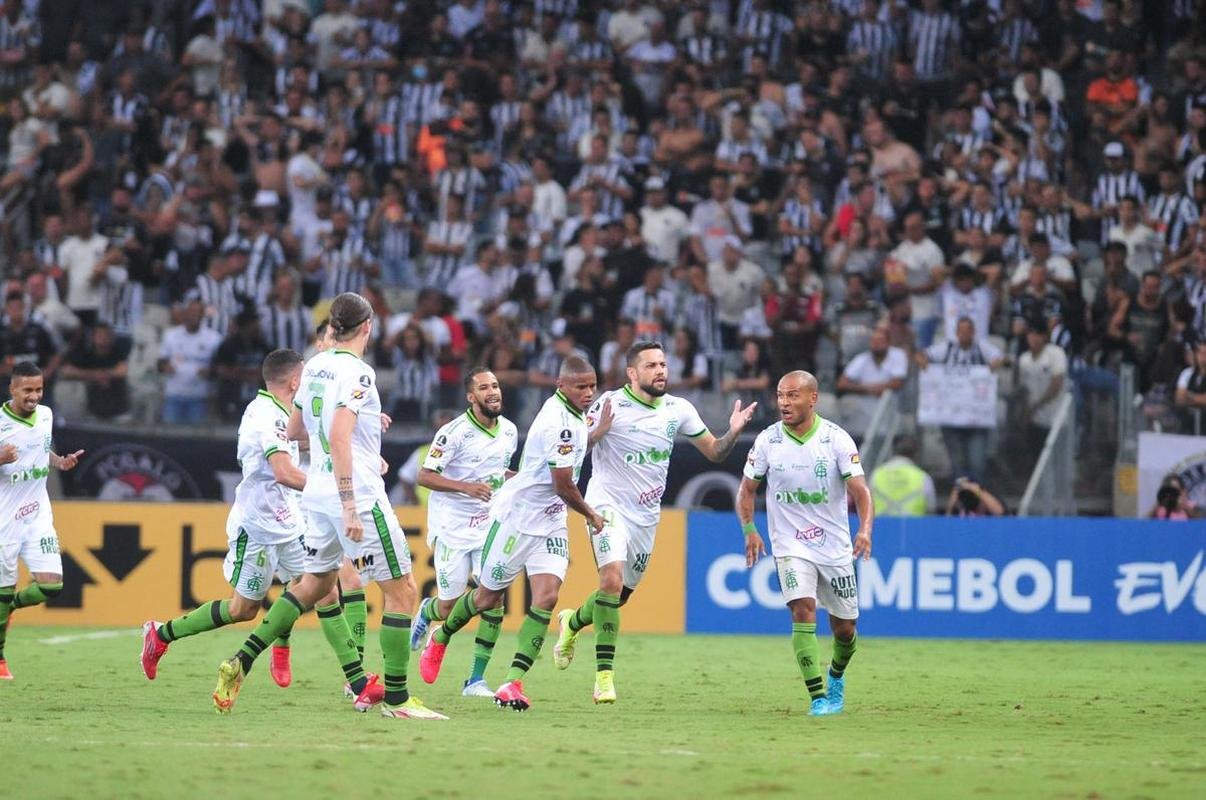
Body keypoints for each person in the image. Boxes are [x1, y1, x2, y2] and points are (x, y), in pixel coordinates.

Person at [213, 293, 446, 721]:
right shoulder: (359, 373)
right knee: (403, 591)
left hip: (314, 494)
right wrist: (350, 504)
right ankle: (397, 700)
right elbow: (338, 436)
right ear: (368, 327)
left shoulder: (315, 365)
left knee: (314, 586)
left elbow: (298, 430)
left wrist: (362, 433)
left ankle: (241, 661)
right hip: (351, 494)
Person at [553, 341, 757, 704]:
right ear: (632, 373)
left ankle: (572, 623)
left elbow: (715, 452)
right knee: (611, 582)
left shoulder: (679, 409)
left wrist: (734, 431)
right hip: (606, 505)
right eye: (651, 365)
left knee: (619, 596)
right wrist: (597, 431)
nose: (660, 370)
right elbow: (567, 452)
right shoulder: (609, 404)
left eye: (663, 364)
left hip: (645, 517)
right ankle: (604, 678)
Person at [418, 357, 603, 712]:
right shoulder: (559, 422)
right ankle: (441, 635)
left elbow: (560, 462)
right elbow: (563, 485)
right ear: (561, 386)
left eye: (592, 385)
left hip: (549, 521)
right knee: (486, 599)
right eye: (581, 387)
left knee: (547, 598)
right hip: (516, 520)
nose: (589, 393)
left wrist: (597, 433)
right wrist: (591, 514)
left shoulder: (565, 419)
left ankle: (511, 682)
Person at [140, 350, 310, 685]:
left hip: (288, 519)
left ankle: (287, 646)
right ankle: (161, 634)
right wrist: (331, 489)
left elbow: (307, 438)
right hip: (259, 525)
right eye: (306, 379)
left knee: (318, 588)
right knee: (242, 610)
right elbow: (284, 472)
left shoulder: (283, 412)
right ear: (294, 381)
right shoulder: (266, 415)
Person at [736, 370, 873, 716]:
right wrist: (750, 529)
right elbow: (746, 491)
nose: (784, 402)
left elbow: (861, 491)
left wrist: (865, 529)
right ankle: (818, 698)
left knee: (845, 630)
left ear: (813, 399)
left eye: (793, 395)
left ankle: (836, 676)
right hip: (790, 546)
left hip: (834, 546)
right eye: (780, 395)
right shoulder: (768, 441)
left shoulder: (836, 440)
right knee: (802, 609)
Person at [408, 368, 518, 698]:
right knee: (448, 606)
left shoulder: (510, 431)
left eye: (496, 385)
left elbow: (499, 472)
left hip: (490, 525)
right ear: (471, 397)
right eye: (484, 388)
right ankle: (428, 613)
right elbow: (425, 476)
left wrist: (522, 479)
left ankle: (475, 680)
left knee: (494, 597)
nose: (493, 391)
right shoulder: (452, 433)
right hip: (453, 527)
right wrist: (466, 487)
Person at [0, 362, 85, 679]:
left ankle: (7, 608)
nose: (34, 396)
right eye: (27, 390)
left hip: (37, 514)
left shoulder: (46, 415)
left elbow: (42, 445)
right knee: (3, 588)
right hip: (5, 519)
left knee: (53, 585)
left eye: (38, 389)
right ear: (12, 389)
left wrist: (59, 461)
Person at [159, 292, 224, 425]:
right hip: (173, 395)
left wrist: (209, 372)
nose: (194, 315)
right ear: (185, 313)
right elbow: (160, 362)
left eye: (197, 312)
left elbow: (219, 368)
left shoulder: (214, 338)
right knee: (169, 438)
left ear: (203, 315)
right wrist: (165, 366)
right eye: (191, 311)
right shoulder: (171, 335)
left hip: (199, 398)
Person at [869, 434, 936, 517]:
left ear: (893, 451)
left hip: (881, 527)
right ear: (915, 454)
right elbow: (931, 509)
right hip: (913, 528)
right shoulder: (923, 478)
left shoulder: (876, 475)